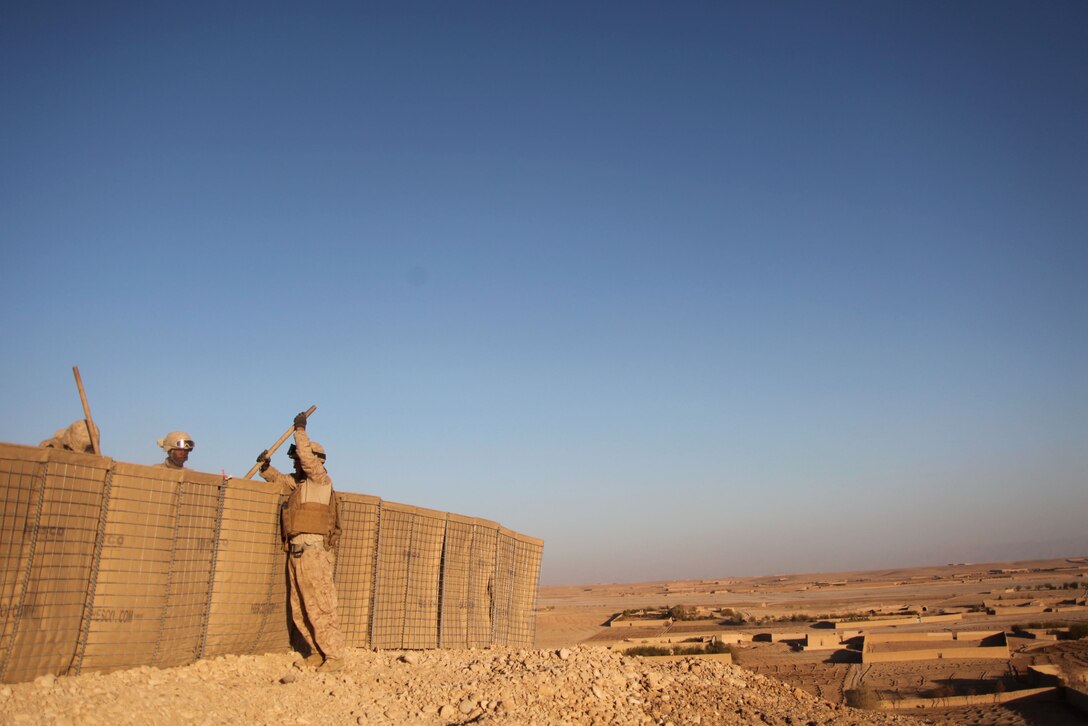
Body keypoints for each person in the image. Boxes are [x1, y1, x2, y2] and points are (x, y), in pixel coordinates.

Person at [256, 411, 344, 672]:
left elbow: (306, 460)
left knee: (321, 606)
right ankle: (316, 651)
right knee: (301, 607)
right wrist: (265, 468)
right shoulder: (301, 486)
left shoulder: (320, 480)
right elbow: (281, 480)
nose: (295, 463)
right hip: (297, 553)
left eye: (298, 458)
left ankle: (335, 656)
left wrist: (300, 430)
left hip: (314, 553)